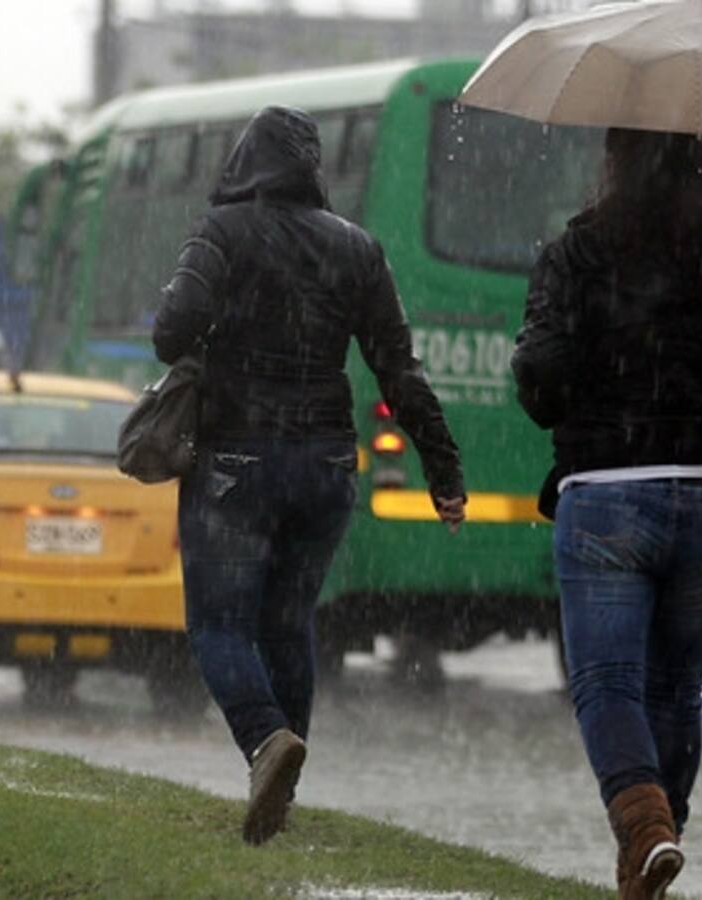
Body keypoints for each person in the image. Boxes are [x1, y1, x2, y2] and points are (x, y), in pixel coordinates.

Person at [152, 105, 467, 846]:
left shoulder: (222, 232)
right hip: (325, 464)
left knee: (218, 625)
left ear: (243, 162)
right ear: (312, 168)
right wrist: (443, 466)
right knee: (289, 624)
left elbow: (171, 335)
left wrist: (211, 322)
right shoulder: (358, 248)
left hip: (236, 457)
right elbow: (398, 367)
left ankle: (267, 742)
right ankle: (280, 796)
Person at [511, 127, 702, 899]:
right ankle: (653, 851)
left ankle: (645, 828)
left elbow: (537, 377)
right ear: (701, 165)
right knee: (678, 688)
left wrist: (589, 378)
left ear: (611, 162)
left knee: (607, 682)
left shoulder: (578, 253)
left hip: (609, 484)